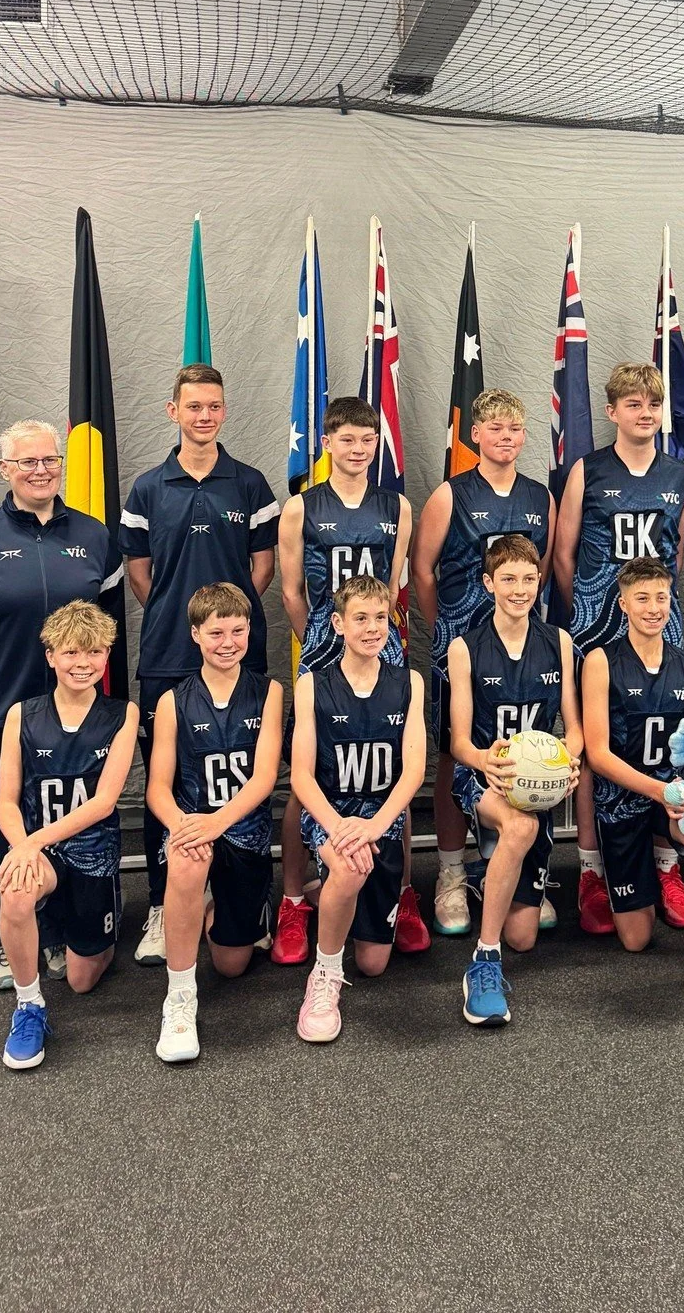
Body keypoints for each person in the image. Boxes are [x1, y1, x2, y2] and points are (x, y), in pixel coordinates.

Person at [0, 417, 123, 990]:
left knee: (64, 818)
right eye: (27, 463)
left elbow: (107, 621)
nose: (40, 471)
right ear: (6, 470)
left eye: (49, 461)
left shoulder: (93, 537)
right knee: (0, 824)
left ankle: (61, 930)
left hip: (72, 713)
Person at [120, 365, 279, 967]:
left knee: (242, 777)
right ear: (173, 411)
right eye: (193, 407)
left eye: (214, 406)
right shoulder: (147, 488)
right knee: (170, 781)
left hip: (236, 652)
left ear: (223, 411)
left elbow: (260, 568)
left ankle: (246, 899)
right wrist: (175, 617)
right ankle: (164, 905)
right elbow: (140, 574)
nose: (204, 416)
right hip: (167, 653)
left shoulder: (251, 484)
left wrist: (225, 625)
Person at [275, 395, 424, 963]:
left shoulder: (397, 507)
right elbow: (291, 592)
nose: (359, 450)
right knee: (309, 773)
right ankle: (293, 895)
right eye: (348, 440)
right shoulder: (301, 508)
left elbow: (390, 584)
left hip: (378, 639)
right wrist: (320, 637)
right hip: (323, 641)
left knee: (390, 767)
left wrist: (370, 631)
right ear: (327, 444)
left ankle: (400, 890)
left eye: (368, 441)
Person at [552, 363, 684, 936]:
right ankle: (590, 868)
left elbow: (680, 554)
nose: (645, 413)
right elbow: (562, 557)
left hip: (659, 623)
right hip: (597, 627)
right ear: (612, 412)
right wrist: (586, 615)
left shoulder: (678, 474)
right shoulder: (587, 470)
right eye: (633, 404)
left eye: (653, 405)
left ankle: (665, 864)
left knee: (665, 737)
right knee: (594, 749)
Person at [411, 389, 554, 937]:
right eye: (494, 429)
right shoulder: (451, 495)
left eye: (514, 429)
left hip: (521, 639)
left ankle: (516, 864)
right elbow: (423, 571)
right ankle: (450, 869)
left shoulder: (541, 497)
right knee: (455, 750)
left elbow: (548, 567)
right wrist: (448, 629)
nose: (505, 437)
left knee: (525, 741)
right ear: (475, 435)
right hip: (463, 642)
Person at [581, 560, 684, 998]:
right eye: (642, 597)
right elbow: (597, 753)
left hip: (679, 793)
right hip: (626, 795)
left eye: (661, 597)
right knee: (635, 939)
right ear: (624, 603)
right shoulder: (600, 660)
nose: (654, 607)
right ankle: (656, 865)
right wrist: (659, 790)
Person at [0, 600, 139, 1069]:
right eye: (73, 652)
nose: (84, 663)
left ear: (107, 656)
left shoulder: (123, 714)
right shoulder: (22, 714)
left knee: (81, 980)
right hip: (42, 852)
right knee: (15, 893)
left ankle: (88, 920)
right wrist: (25, 846)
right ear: (51, 655)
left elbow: (103, 803)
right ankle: (28, 1005)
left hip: (94, 851)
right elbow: (5, 801)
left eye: (95, 652)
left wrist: (30, 843)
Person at [145, 582, 285, 1064]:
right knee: (184, 862)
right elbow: (158, 790)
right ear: (195, 634)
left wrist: (216, 823)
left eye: (238, 631)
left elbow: (265, 777)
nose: (228, 642)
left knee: (232, 965)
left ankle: (220, 906)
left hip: (243, 831)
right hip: (193, 823)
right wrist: (186, 825)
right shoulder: (172, 701)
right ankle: (179, 997)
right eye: (216, 632)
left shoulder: (268, 692)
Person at [447, 535, 580, 1025]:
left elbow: (576, 726)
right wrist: (487, 760)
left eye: (528, 579)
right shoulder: (465, 649)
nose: (520, 589)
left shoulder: (559, 642)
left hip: (539, 784)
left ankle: (490, 877)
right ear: (488, 584)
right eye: (508, 579)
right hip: (484, 777)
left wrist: (571, 763)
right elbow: (458, 742)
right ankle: (483, 960)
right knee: (519, 829)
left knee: (525, 934)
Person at [290, 577, 427, 1042]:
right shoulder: (311, 685)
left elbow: (413, 771)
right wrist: (339, 828)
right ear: (338, 623)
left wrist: (373, 826)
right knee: (348, 868)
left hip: (379, 820)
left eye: (380, 617)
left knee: (373, 963)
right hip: (330, 813)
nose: (372, 628)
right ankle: (324, 976)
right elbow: (302, 778)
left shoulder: (409, 682)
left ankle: (324, 892)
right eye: (360, 618)